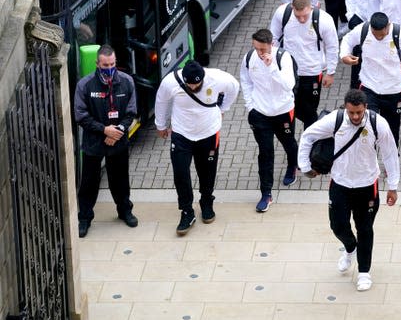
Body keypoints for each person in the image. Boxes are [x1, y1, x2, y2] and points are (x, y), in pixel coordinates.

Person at [297, 89, 400, 291]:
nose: (355, 116)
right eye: (351, 112)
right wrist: (305, 167)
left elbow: (390, 154)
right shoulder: (335, 121)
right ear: (346, 108)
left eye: (359, 112)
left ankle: (364, 272)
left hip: (367, 185)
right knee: (337, 226)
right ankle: (349, 247)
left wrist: (393, 186)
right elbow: (308, 136)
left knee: (365, 229)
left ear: (365, 108)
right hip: (340, 184)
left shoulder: (378, 124)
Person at [155, 60, 240, 235]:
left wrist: (223, 108)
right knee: (180, 173)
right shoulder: (170, 82)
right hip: (181, 134)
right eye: (190, 84)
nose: (193, 87)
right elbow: (161, 101)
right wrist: (161, 125)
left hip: (208, 133)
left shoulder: (217, 78)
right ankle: (186, 211)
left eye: (197, 84)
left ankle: (207, 201)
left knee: (207, 171)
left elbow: (234, 86)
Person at [340, 12, 401, 146]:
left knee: (391, 131)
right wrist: (344, 55)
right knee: (367, 127)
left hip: (393, 90)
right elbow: (348, 40)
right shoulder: (363, 30)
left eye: (382, 35)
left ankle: (391, 164)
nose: (378, 38)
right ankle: (370, 164)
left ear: (388, 26)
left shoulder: (399, 33)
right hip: (369, 87)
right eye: (375, 34)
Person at [74, 44, 138, 238]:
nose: (109, 68)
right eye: (105, 64)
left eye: (112, 64)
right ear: (97, 63)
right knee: (89, 182)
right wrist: (104, 131)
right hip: (94, 142)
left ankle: (124, 210)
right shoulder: (85, 85)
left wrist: (116, 132)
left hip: (118, 141)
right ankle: (84, 218)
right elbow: (81, 115)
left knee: (120, 180)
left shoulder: (126, 82)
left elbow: (131, 112)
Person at [240, 29, 299, 212]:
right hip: (260, 114)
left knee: (289, 143)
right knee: (265, 153)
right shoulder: (249, 58)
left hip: (283, 111)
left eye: (263, 49)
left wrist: (271, 66)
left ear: (271, 44)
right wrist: (251, 106)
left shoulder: (283, 58)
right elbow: (246, 81)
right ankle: (266, 193)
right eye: (256, 48)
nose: (259, 52)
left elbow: (289, 85)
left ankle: (292, 165)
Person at [269, 0, 339, 129]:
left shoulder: (324, 20)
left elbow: (332, 46)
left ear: (311, 8)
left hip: (312, 72)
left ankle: (310, 141)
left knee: (310, 111)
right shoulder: (282, 14)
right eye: (298, 15)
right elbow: (274, 38)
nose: (302, 19)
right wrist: (274, 64)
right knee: (290, 108)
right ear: (292, 8)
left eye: (305, 15)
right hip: (288, 71)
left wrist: (330, 72)